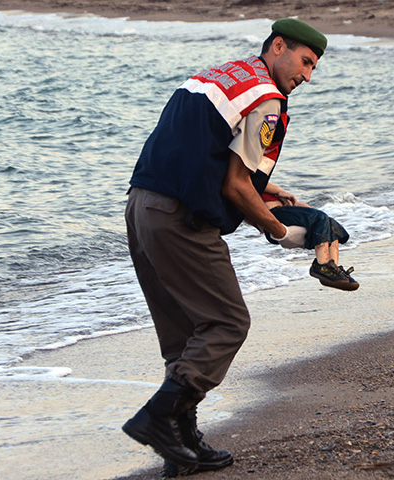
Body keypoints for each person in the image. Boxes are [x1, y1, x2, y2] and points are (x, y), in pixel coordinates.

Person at [121, 18, 331, 477]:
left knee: (183, 336)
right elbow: (235, 186)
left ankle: (181, 448)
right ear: (279, 46)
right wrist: (279, 232)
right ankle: (157, 417)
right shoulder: (268, 100)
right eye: (305, 62)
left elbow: (203, 150)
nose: (307, 76)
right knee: (227, 323)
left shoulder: (222, 75)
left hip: (141, 207)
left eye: (314, 67)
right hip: (180, 219)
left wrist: (269, 190)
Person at [262, 182, 359, 291]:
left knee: (329, 222)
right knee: (320, 217)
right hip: (274, 214)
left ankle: (333, 270)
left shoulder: (272, 192)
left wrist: (310, 212)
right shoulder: (256, 184)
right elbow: (257, 182)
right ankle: (321, 266)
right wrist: (280, 191)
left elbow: (298, 206)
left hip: (286, 212)